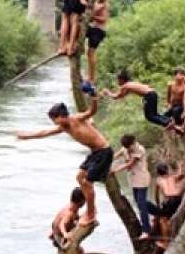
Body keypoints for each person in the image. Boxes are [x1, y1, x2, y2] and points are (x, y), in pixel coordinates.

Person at [16, 86, 113, 227]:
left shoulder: (77, 119)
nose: (54, 123)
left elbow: (91, 111)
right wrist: (26, 136)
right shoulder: (64, 128)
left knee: (86, 182)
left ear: (61, 116)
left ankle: (91, 213)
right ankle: (91, 208)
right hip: (94, 153)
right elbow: (45, 132)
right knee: (79, 177)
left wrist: (94, 98)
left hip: (103, 151)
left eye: (54, 120)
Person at [110, 133, 152, 240]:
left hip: (141, 179)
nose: (128, 149)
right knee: (139, 202)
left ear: (133, 143)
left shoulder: (139, 150)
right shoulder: (125, 148)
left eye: (129, 147)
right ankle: (156, 211)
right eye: (126, 147)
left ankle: (146, 230)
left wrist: (115, 170)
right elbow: (116, 155)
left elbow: (129, 164)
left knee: (141, 205)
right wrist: (107, 161)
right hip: (133, 180)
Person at [101, 70, 175, 128]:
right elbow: (121, 96)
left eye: (118, 80)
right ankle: (168, 120)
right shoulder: (130, 84)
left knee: (149, 116)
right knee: (154, 114)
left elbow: (116, 96)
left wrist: (108, 92)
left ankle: (167, 122)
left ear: (122, 80)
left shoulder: (125, 86)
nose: (117, 82)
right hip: (153, 93)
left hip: (149, 95)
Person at [146, 161, 185, 249]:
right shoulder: (173, 177)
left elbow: (156, 195)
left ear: (158, 172)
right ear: (167, 170)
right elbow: (181, 174)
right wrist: (180, 166)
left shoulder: (158, 180)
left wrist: (158, 204)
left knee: (162, 220)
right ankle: (163, 225)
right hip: (179, 198)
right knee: (164, 215)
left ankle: (166, 243)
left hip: (170, 200)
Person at [85, 0, 111, 84]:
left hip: (99, 31)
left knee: (91, 53)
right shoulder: (94, 2)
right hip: (93, 29)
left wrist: (92, 16)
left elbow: (103, 19)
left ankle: (92, 78)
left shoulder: (105, 5)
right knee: (78, 28)